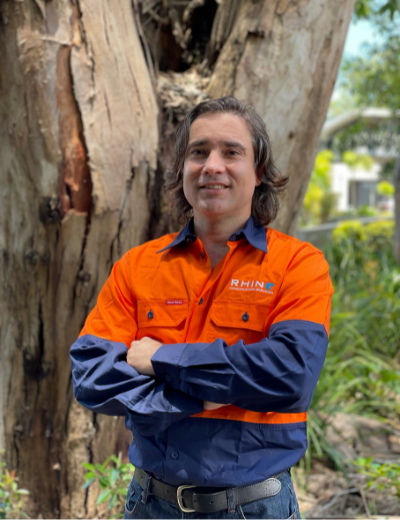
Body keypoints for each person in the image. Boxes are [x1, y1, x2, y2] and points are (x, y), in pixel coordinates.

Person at [70, 96, 333, 519]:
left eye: (231, 152)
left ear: (258, 171)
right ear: (182, 170)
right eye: (198, 152)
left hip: (254, 508)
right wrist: (193, 399)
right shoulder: (137, 267)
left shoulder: (298, 265)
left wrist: (160, 358)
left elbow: (291, 375)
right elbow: (91, 376)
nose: (213, 165)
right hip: (149, 505)